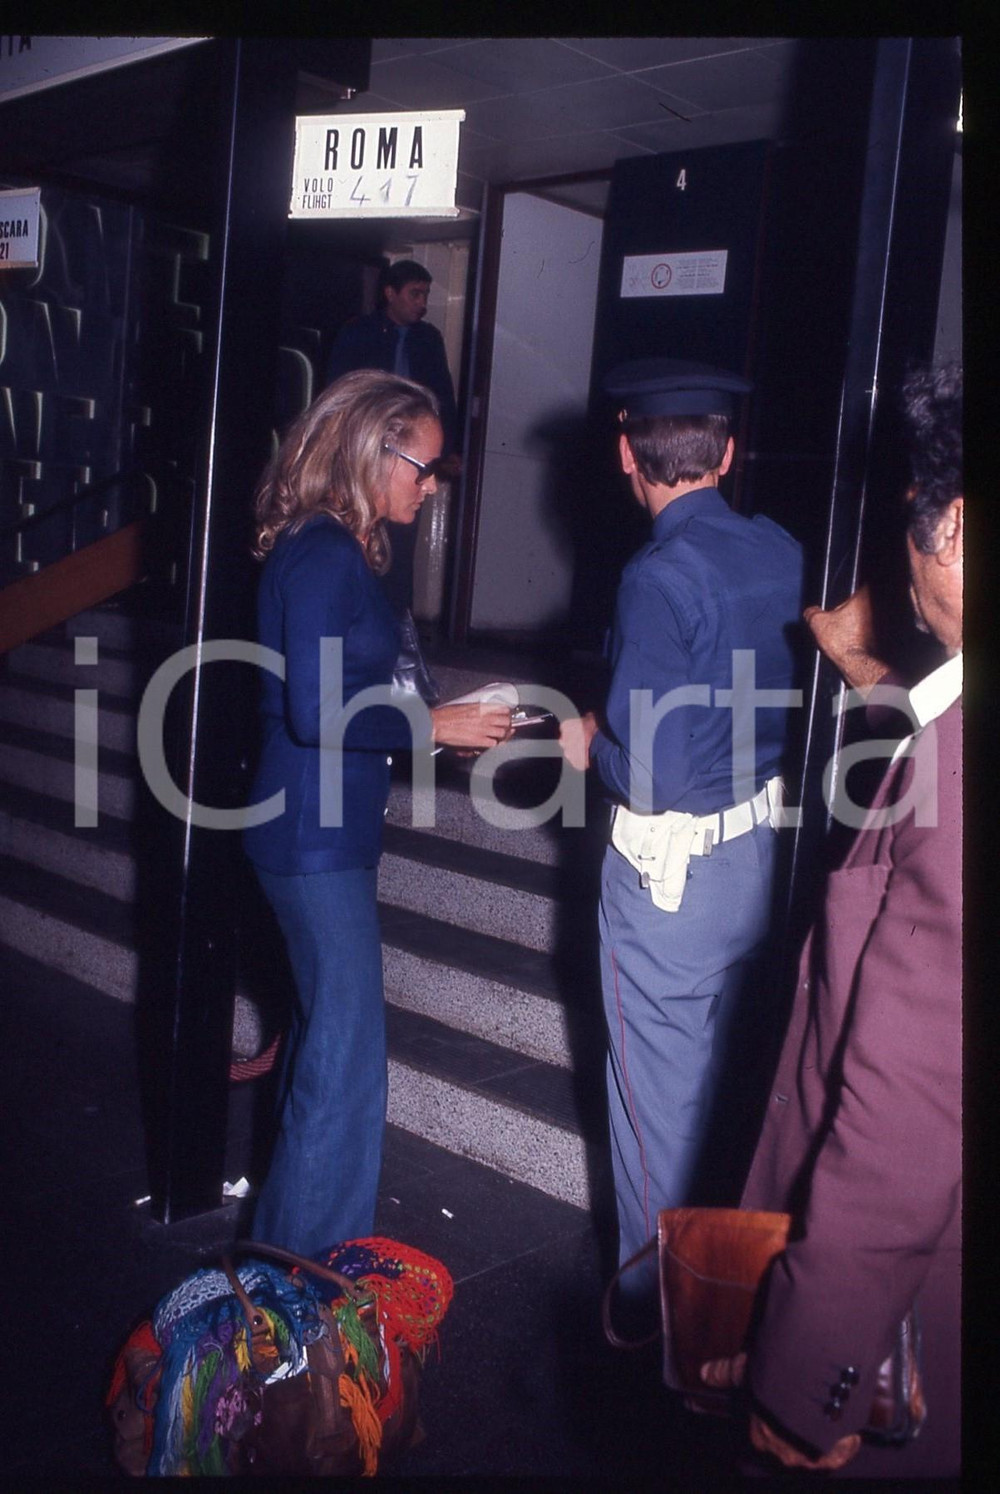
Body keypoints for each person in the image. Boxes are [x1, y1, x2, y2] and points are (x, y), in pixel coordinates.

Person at [701, 360, 963, 1479]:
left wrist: (806, 1371)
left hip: (911, 1331)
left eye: (908, 518)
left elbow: (911, 1108)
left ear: (953, 527)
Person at [242, 368, 512, 1257]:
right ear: (373, 449)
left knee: (325, 1049)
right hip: (309, 834)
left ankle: (284, 1274)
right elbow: (316, 712)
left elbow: (353, 696)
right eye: (423, 468)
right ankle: (308, 1291)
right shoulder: (324, 552)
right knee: (344, 1067)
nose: (429, 489)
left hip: (322, 830)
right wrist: (432, 724)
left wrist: (436, 725)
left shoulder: (340, 547)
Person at [558, 359, 805, 1274]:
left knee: (656, 1121)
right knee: (722, 1102)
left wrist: (592, 744)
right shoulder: (780, 548)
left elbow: (651, 776)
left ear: (627, 454)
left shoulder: (657, 575)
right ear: (727, 454)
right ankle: (727, 1299)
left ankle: (655, 1318)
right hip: (759, 854)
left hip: (671, 879)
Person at [326, 260, 460, 616]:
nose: (423, 303)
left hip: (411, 456)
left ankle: (398, 623)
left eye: (426, 295)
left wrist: (448, 451)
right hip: (365, 451)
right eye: (415, 294)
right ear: (390, 293)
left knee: (400, 542)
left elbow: (443, 397)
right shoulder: (358, 333)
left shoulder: (428, 339)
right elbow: (338, 393)